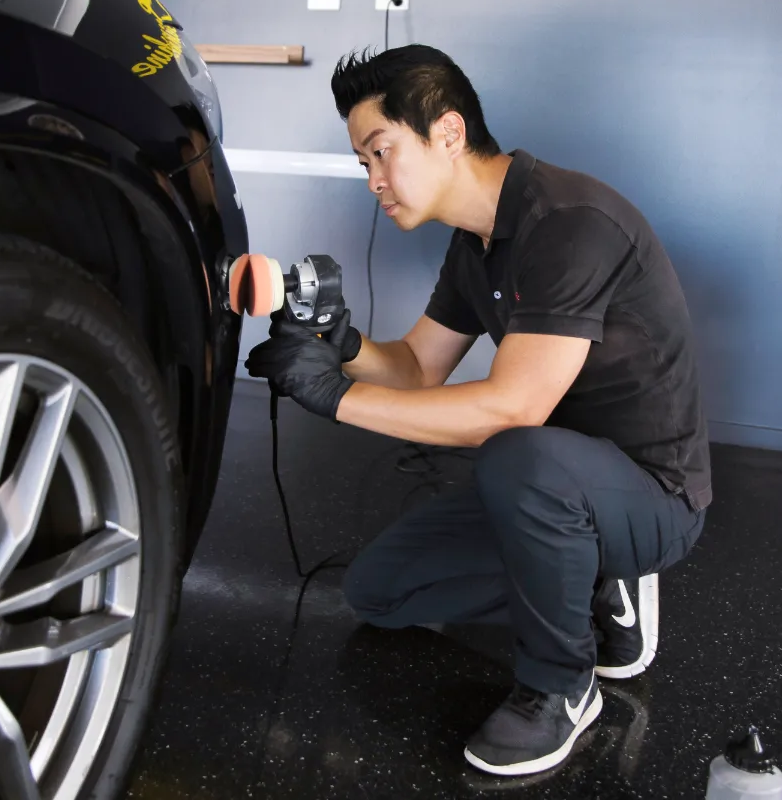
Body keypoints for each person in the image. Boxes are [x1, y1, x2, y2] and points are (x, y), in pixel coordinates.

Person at [244, 45, 710, 777]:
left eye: (380, 152)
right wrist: (340, 343)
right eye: (363, 162)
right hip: (554, 485)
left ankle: (562, 685)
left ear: (449, 133)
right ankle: (591, 578)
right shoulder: (476, 243)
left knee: (516, 454)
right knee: (379, 592)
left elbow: (513, 408)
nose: (372, 180)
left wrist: (334, 398)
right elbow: (419, 367)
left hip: (654, 495)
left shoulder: (569, 223)